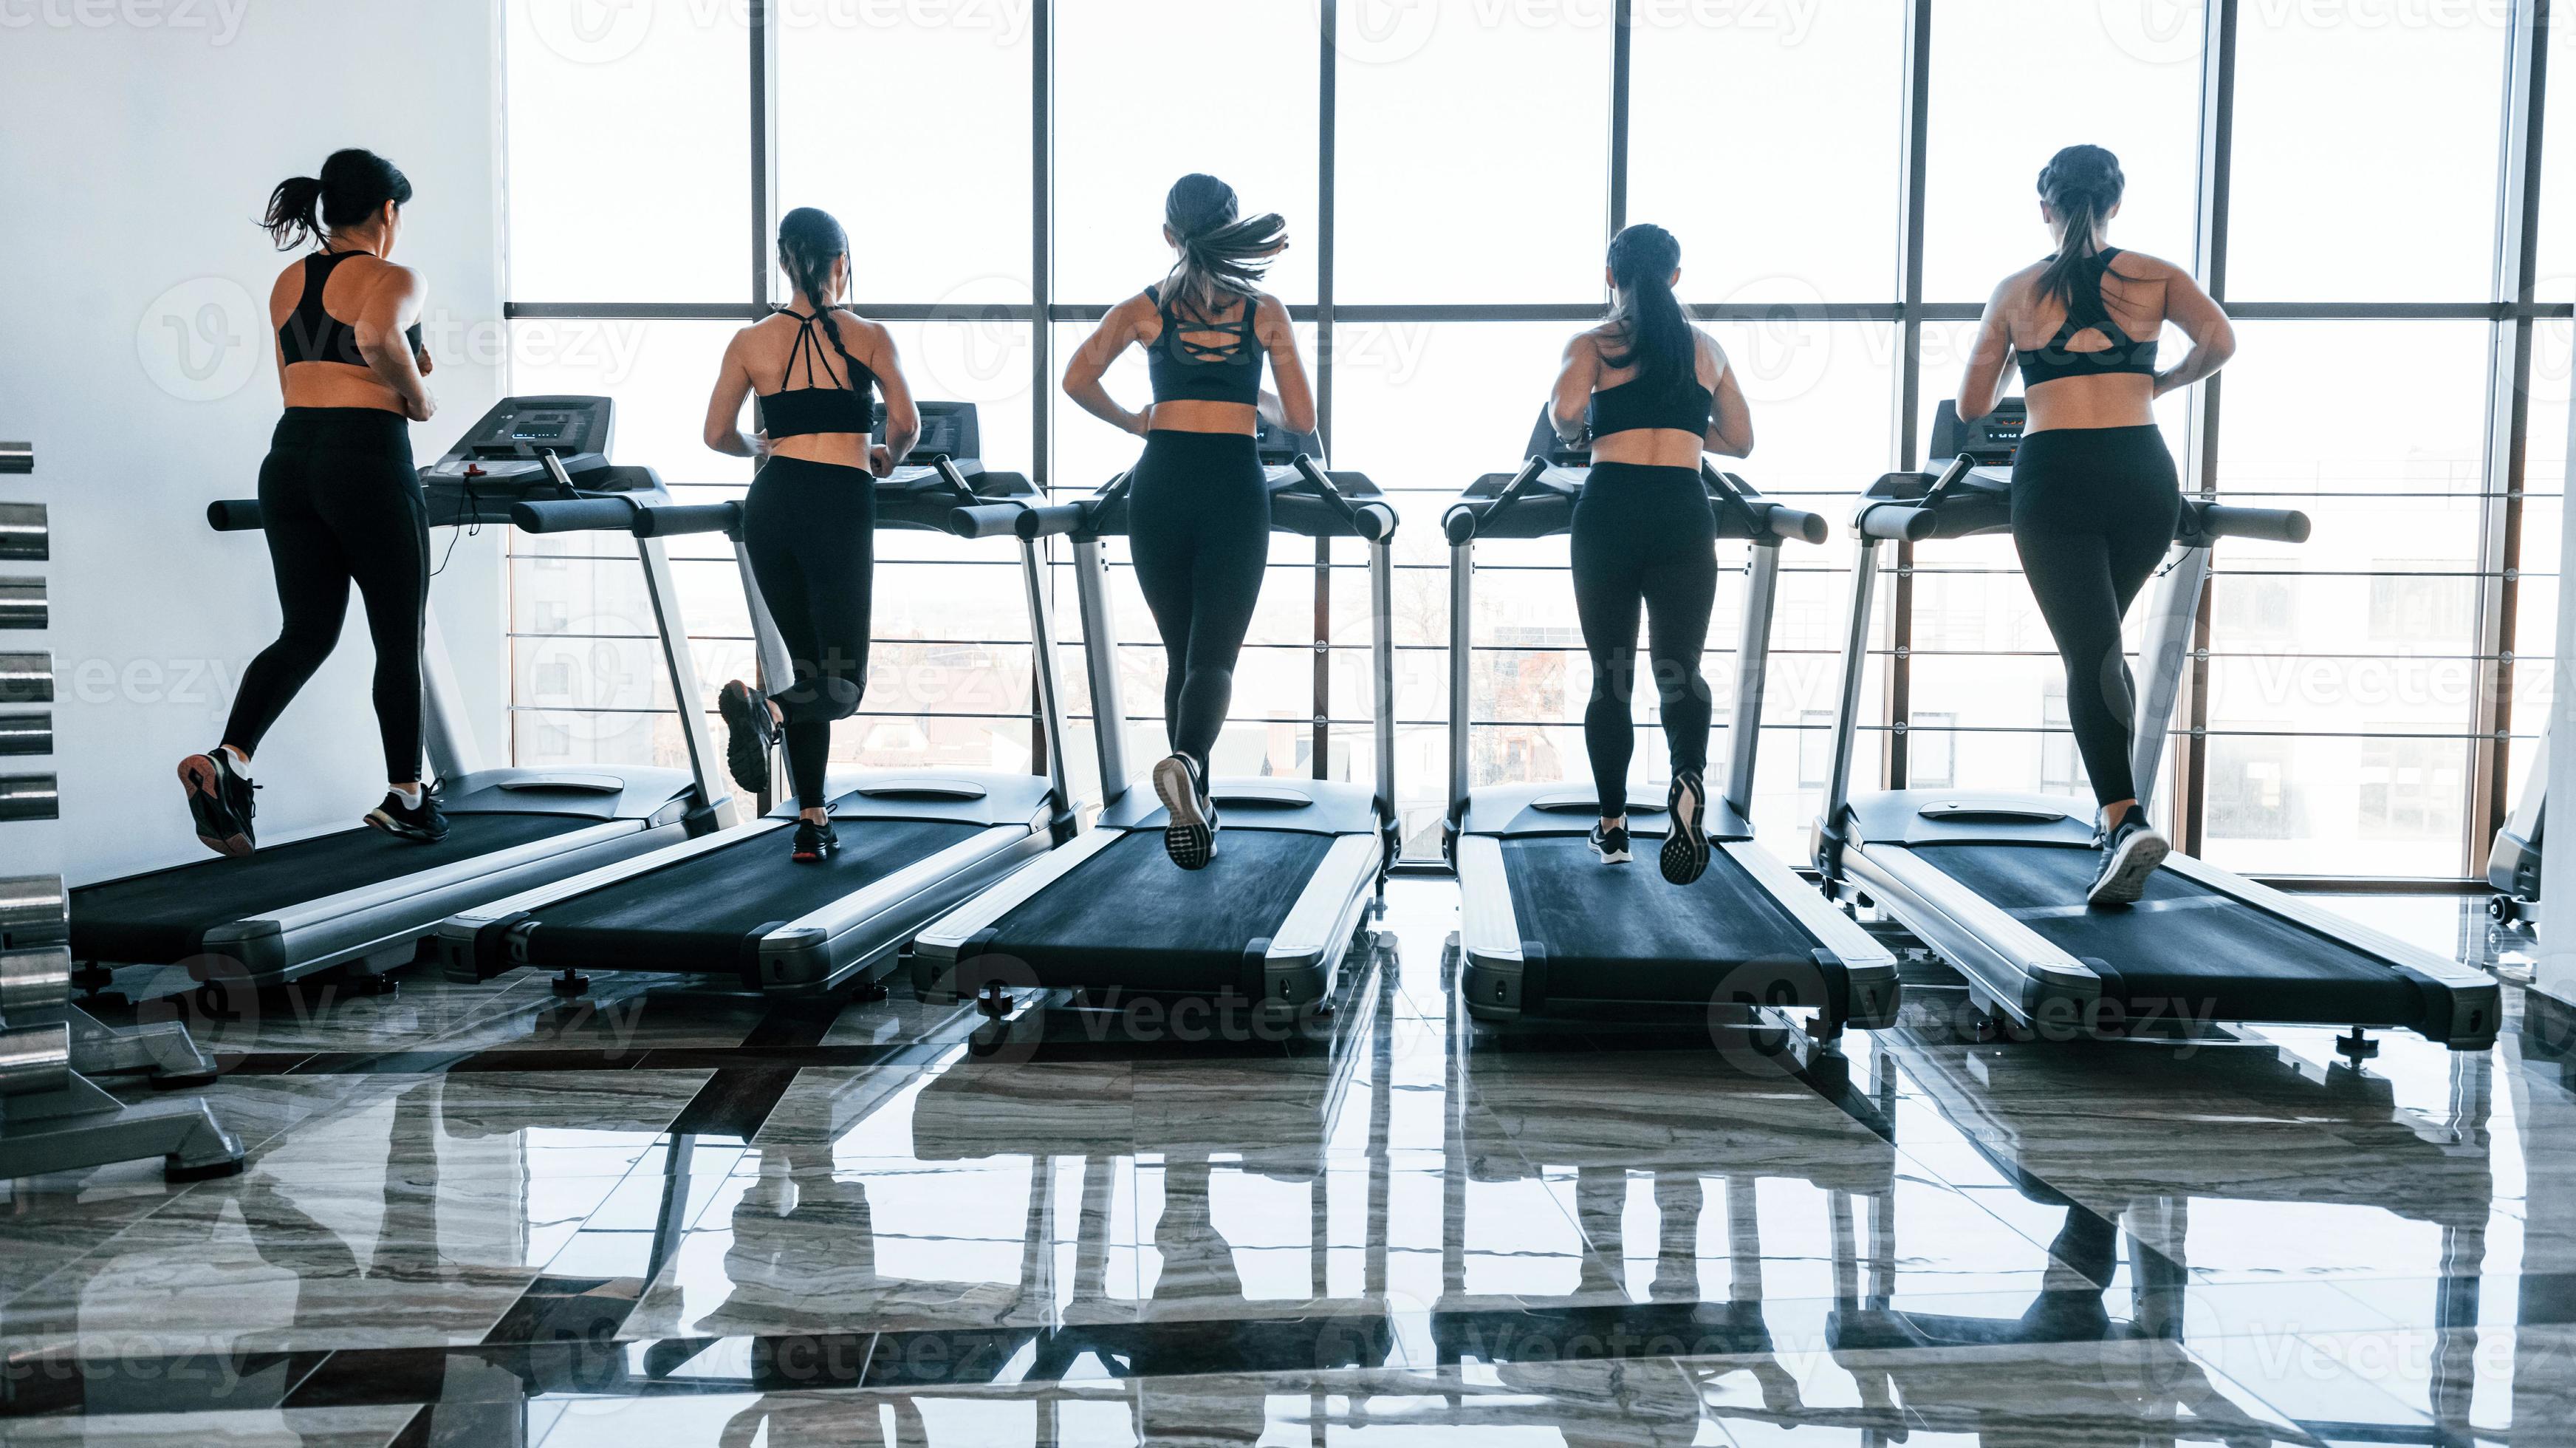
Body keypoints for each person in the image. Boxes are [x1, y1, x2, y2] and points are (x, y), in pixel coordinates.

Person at [1956, 143, 2235, 906]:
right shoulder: (2155, 274)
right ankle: (2119, 816)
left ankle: (2122, 818)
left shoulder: (2016, 290)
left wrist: (2024, 362)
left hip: (2056, 478)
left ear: (2044, 206)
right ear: (2115, 203)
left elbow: (1970, 407)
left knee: (2089, 652)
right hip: (2142, 471)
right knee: (2103, 645)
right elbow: (2219, 341)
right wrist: (2160, 379)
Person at [180, 148, 443, 858]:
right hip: (366, 457)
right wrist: (418, 399)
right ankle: (408, 796)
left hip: (290, 457)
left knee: (307, 632)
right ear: (387, 213)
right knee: (398, 638)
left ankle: (230, 760)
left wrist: (398, 364)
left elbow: (299, 373)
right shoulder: (395, 276)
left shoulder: (287, 280)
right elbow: (373, 337)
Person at [1062, 174, 1317, 870]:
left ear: (1170, 236)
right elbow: (1302, 420)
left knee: (1182, 654)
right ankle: (1190, 767)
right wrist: (1254, 399)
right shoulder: (1265, 312)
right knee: (1213, 659)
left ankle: (1193, 803)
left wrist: (1138, 420)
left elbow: (1076, 379)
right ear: (1233, 231)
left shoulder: (1143, 309)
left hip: (1161, 481)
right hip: (1233, 484)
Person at [703, 208, 916, 863]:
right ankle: (767, 714)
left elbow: (716, 435)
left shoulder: (751, 341)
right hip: (837, 505)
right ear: (839, 264)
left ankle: (812, 820)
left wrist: (758, 444)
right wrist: (885, 457)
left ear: (786, 264)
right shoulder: (869, 335)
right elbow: (905, 424)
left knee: (807, 672)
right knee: (840, 684)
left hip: (770, 504)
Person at [1546, 223, 1754, 885]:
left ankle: (1612, 829)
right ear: (1675, 277)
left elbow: (1564, 415)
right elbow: (1741, 440)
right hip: (1683, 510)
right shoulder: (1706, 349)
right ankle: (1686, 779)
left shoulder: (1594, 344)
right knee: (1680, 669)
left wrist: (1593, 425)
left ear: (1613, 277)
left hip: (1610, 509)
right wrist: (1686, 429)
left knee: (1612, 675)